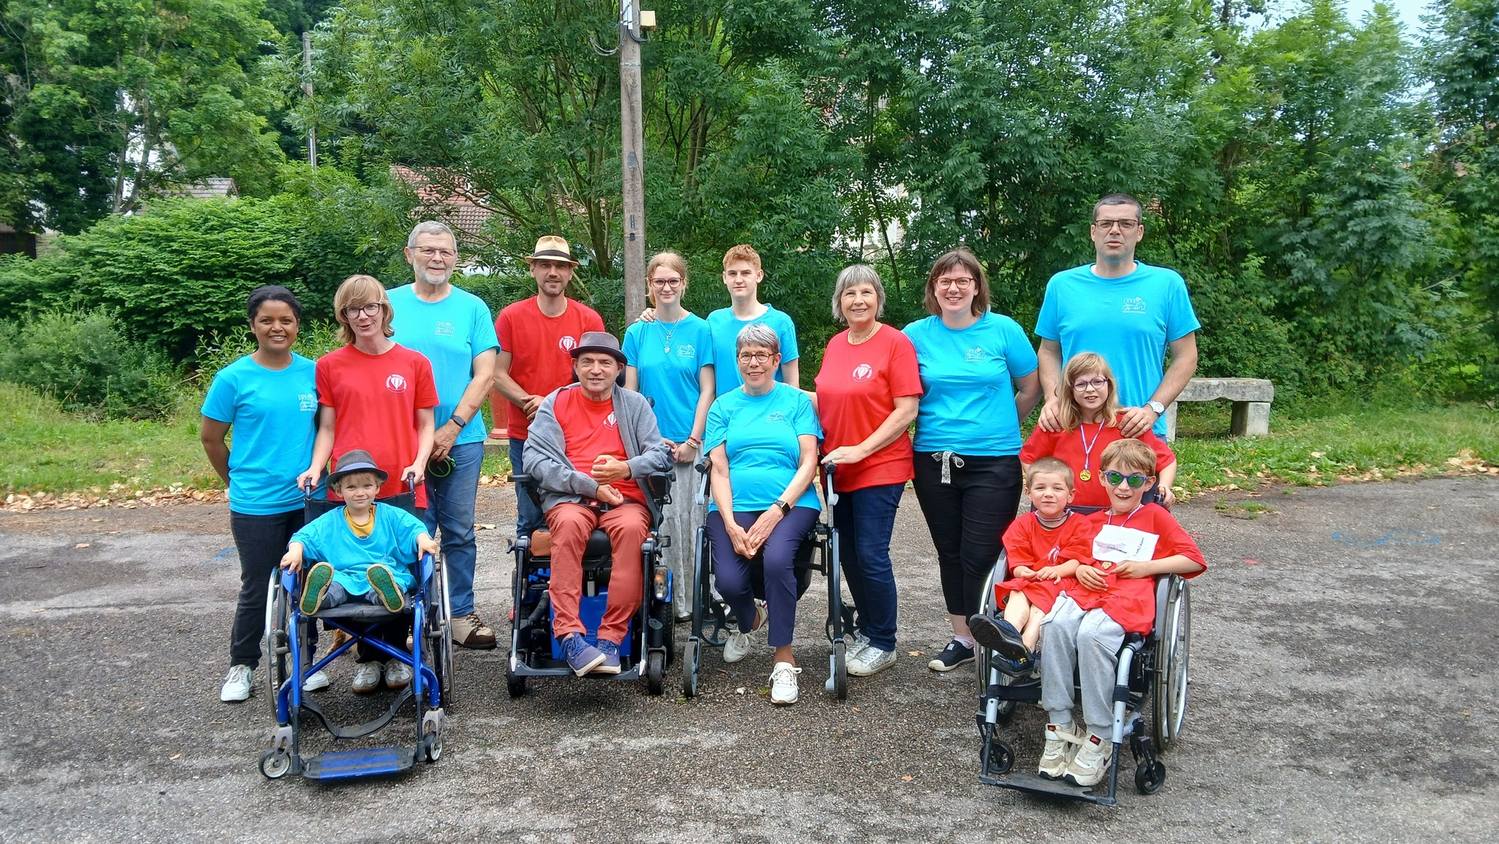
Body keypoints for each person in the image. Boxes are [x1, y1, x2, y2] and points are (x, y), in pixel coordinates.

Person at [1037, 438, 1207, 787]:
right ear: (1102, 479)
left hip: (1128, 596)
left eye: (1134, 480)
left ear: (1148, 483)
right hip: (1086, 589)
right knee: (1054, 624)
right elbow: (1075, 558)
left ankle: (1100, 734)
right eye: (1115, 478)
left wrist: (1147, 567)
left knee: (1092, 635)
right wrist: (1081, 568)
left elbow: (1193, 560)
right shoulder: (1092, 520)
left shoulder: (1155, 516)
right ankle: (1059, 724)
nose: (1124, 487)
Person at [298, 274, 438, 694]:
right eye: (352, 310)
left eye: (370, 307)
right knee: (350, 563)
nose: (362, 316)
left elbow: (425, 423)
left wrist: (419, 461)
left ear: (384, 310)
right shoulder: (330, 365)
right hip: (349, 483)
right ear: (344, 316)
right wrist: (315, 468)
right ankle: (367, 659)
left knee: (397, 567)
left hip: (400, 481)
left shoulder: (414, 363)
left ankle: (395, 657)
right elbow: (327, 426)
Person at [904, 248, 1041, 673]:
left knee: (981, 552)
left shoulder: (1003, 331)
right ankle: (962, 637)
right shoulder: (914, 335)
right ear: (933, 288)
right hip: (933, 460)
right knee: (949, 552)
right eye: (945, 280)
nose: (954, 287)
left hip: (994, 462)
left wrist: (999, 425)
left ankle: (997, 631)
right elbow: (900, 393)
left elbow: (1031, 387)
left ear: (977, 286)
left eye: (963, 280)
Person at [202, 285, 329, 703]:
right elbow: (212, 439)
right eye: (267, 320)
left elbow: (326, 430)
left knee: (310, 582)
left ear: (297, 325)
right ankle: (242, 665)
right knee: (259, 584)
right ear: (253, 325)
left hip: (309, 500)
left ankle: (306, 663)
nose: (277, 327)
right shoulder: (233, 378)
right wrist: (235, 480)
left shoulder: (314, 373)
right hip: (255, 503)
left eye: (286, 320)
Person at [522, 332, 674, 676]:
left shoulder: (634, 404)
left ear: (619, 368)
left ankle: (609, 640)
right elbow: (534, 461)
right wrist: (590, 485)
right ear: (574, 366)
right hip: (573, 498)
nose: (595, 369)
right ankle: (570, 636)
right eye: (587, 362)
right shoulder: (555, 403)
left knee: (635, 529)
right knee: (570, 524)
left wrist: (626, 468)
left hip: (626, 500)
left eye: (605, 362)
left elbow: (659, 455)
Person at [388, 220, 501, 650]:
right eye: (428, 250)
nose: (437, 259)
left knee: (458, 531)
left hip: (463, 438)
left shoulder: (472, 308)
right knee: (408, 528)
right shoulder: (388, 304)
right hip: (400, 440)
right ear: (409, 254)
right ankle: (406, 615)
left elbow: (485, 372)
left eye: (446, 252)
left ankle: (461, 613)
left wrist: (452, 426)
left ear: (456, 258)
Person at [703, 324, 822, 706]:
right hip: (731, 504)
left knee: (776, 560)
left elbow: (809, 462)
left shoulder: (797, 403)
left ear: (775, 360)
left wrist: (778, 509)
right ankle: (751, 618)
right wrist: (731, 521)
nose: (753, 363)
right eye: (746, 356)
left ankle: (783, 659)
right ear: (737, 361)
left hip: (793, 503)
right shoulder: (722, 406)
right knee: (728, 580)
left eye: (761, 355)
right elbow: (718, 469)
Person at [813, 264, 921, 677]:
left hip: (880, 465)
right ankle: (866, 628)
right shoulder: (837, 344)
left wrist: (860, 449)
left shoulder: (895, 343)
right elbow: (825, 400)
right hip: (839, 469)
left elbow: (906, 409)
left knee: (872, 554)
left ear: (878, 298)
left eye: (866, 293)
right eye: (849, 294)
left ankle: (883, 641)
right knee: (848, 556)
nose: (858, 300)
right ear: (839, 303)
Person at [1035, 193, 1200, 439]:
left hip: (1139, 428)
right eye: (1106, 224)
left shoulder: (1167, 284)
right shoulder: (1061, 285)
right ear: (1093, 232)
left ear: (1140, 231)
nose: (1115, 231)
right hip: (1074, 428)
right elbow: (1048, 351)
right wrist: (1053, 399)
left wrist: (1152, 409)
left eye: (1125, 224)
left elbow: (1186, 356)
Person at [622, 251, 714, 622]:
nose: (666, 287)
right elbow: (630, 393)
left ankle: (697, 602)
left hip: (690, 442)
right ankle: (665, 601)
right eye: (659, 281)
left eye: (673, 280)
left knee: (694, 524)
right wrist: (647, 443)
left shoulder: (701, 329)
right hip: (650, 445)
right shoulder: (637, 331)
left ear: (684, 284)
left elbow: (707, 389)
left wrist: (693, 441)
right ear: (649, 286)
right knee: (658, 527)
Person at [494, 235, 604, 541]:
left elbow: (599, 378)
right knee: (530, 518)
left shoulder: (588, 319)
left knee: (578, 512)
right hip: (526, 434)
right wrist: (535, 403)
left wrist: (552, 403)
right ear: (533, 270)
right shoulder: (511, 317)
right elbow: (497, 373)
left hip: (578, 435)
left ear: (570, 272)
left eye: (560, 266)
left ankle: (579, 586)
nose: (552, 272)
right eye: (545, 265)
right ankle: (528, 588)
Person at [280, 449, 440, 631]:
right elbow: (303, 536)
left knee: (386, 585)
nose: (360, 492)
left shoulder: (391, 515)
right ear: (338, 491)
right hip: (342, 577)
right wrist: (295, 550)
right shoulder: (329, 521)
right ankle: (318, 598)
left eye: (367, 486)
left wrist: (423, 539)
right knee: (333, 589)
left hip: (385, 573)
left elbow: (413, 528)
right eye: (351, 487)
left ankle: (386, 595)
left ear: (377, 488)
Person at [967, 458, 1096, 673]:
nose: (1048, 493)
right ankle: (1010, 633)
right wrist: (1020, 570)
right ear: (1029, 493)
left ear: (1070, 495)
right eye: (1040, 488)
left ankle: (1025, 648)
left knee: (1038, 608)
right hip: (1030, 580)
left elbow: (1078, 560)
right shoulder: (1023, 524)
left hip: (1062, 581)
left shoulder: (1080, 524)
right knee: (1017, 591)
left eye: (1057, 488)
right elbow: (1016, 557)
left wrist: (1056, 570)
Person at [1020, 352, 1177, 512]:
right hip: (1064, 514)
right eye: (1081, 384)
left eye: (1097, 382)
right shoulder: (1057, 422)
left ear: (1109, 385)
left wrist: (1164, 486)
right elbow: (1028, 459)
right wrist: (1045, 487)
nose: (1090, 389)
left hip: (1115, 514)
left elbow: (1166, 461)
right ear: (1070, 389)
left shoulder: (1127, 422)